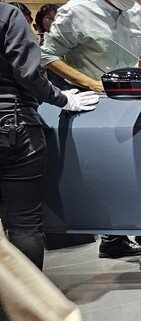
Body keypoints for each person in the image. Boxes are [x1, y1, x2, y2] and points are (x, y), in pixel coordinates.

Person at [41, 0, 141, 269]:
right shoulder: (75, 11)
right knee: (110, 173)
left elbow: (135, 55)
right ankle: (120, 239)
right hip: (95, 106)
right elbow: (47, 55)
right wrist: (90, 84)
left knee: (140, 171)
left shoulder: (137, 11)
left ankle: (140, 239)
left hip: (134, 103)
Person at [0, 2, 99, 270]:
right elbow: (27, 73)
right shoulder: (6, 15)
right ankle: (25, 296)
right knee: (24, 223)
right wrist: (63, 99)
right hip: (12, 125)